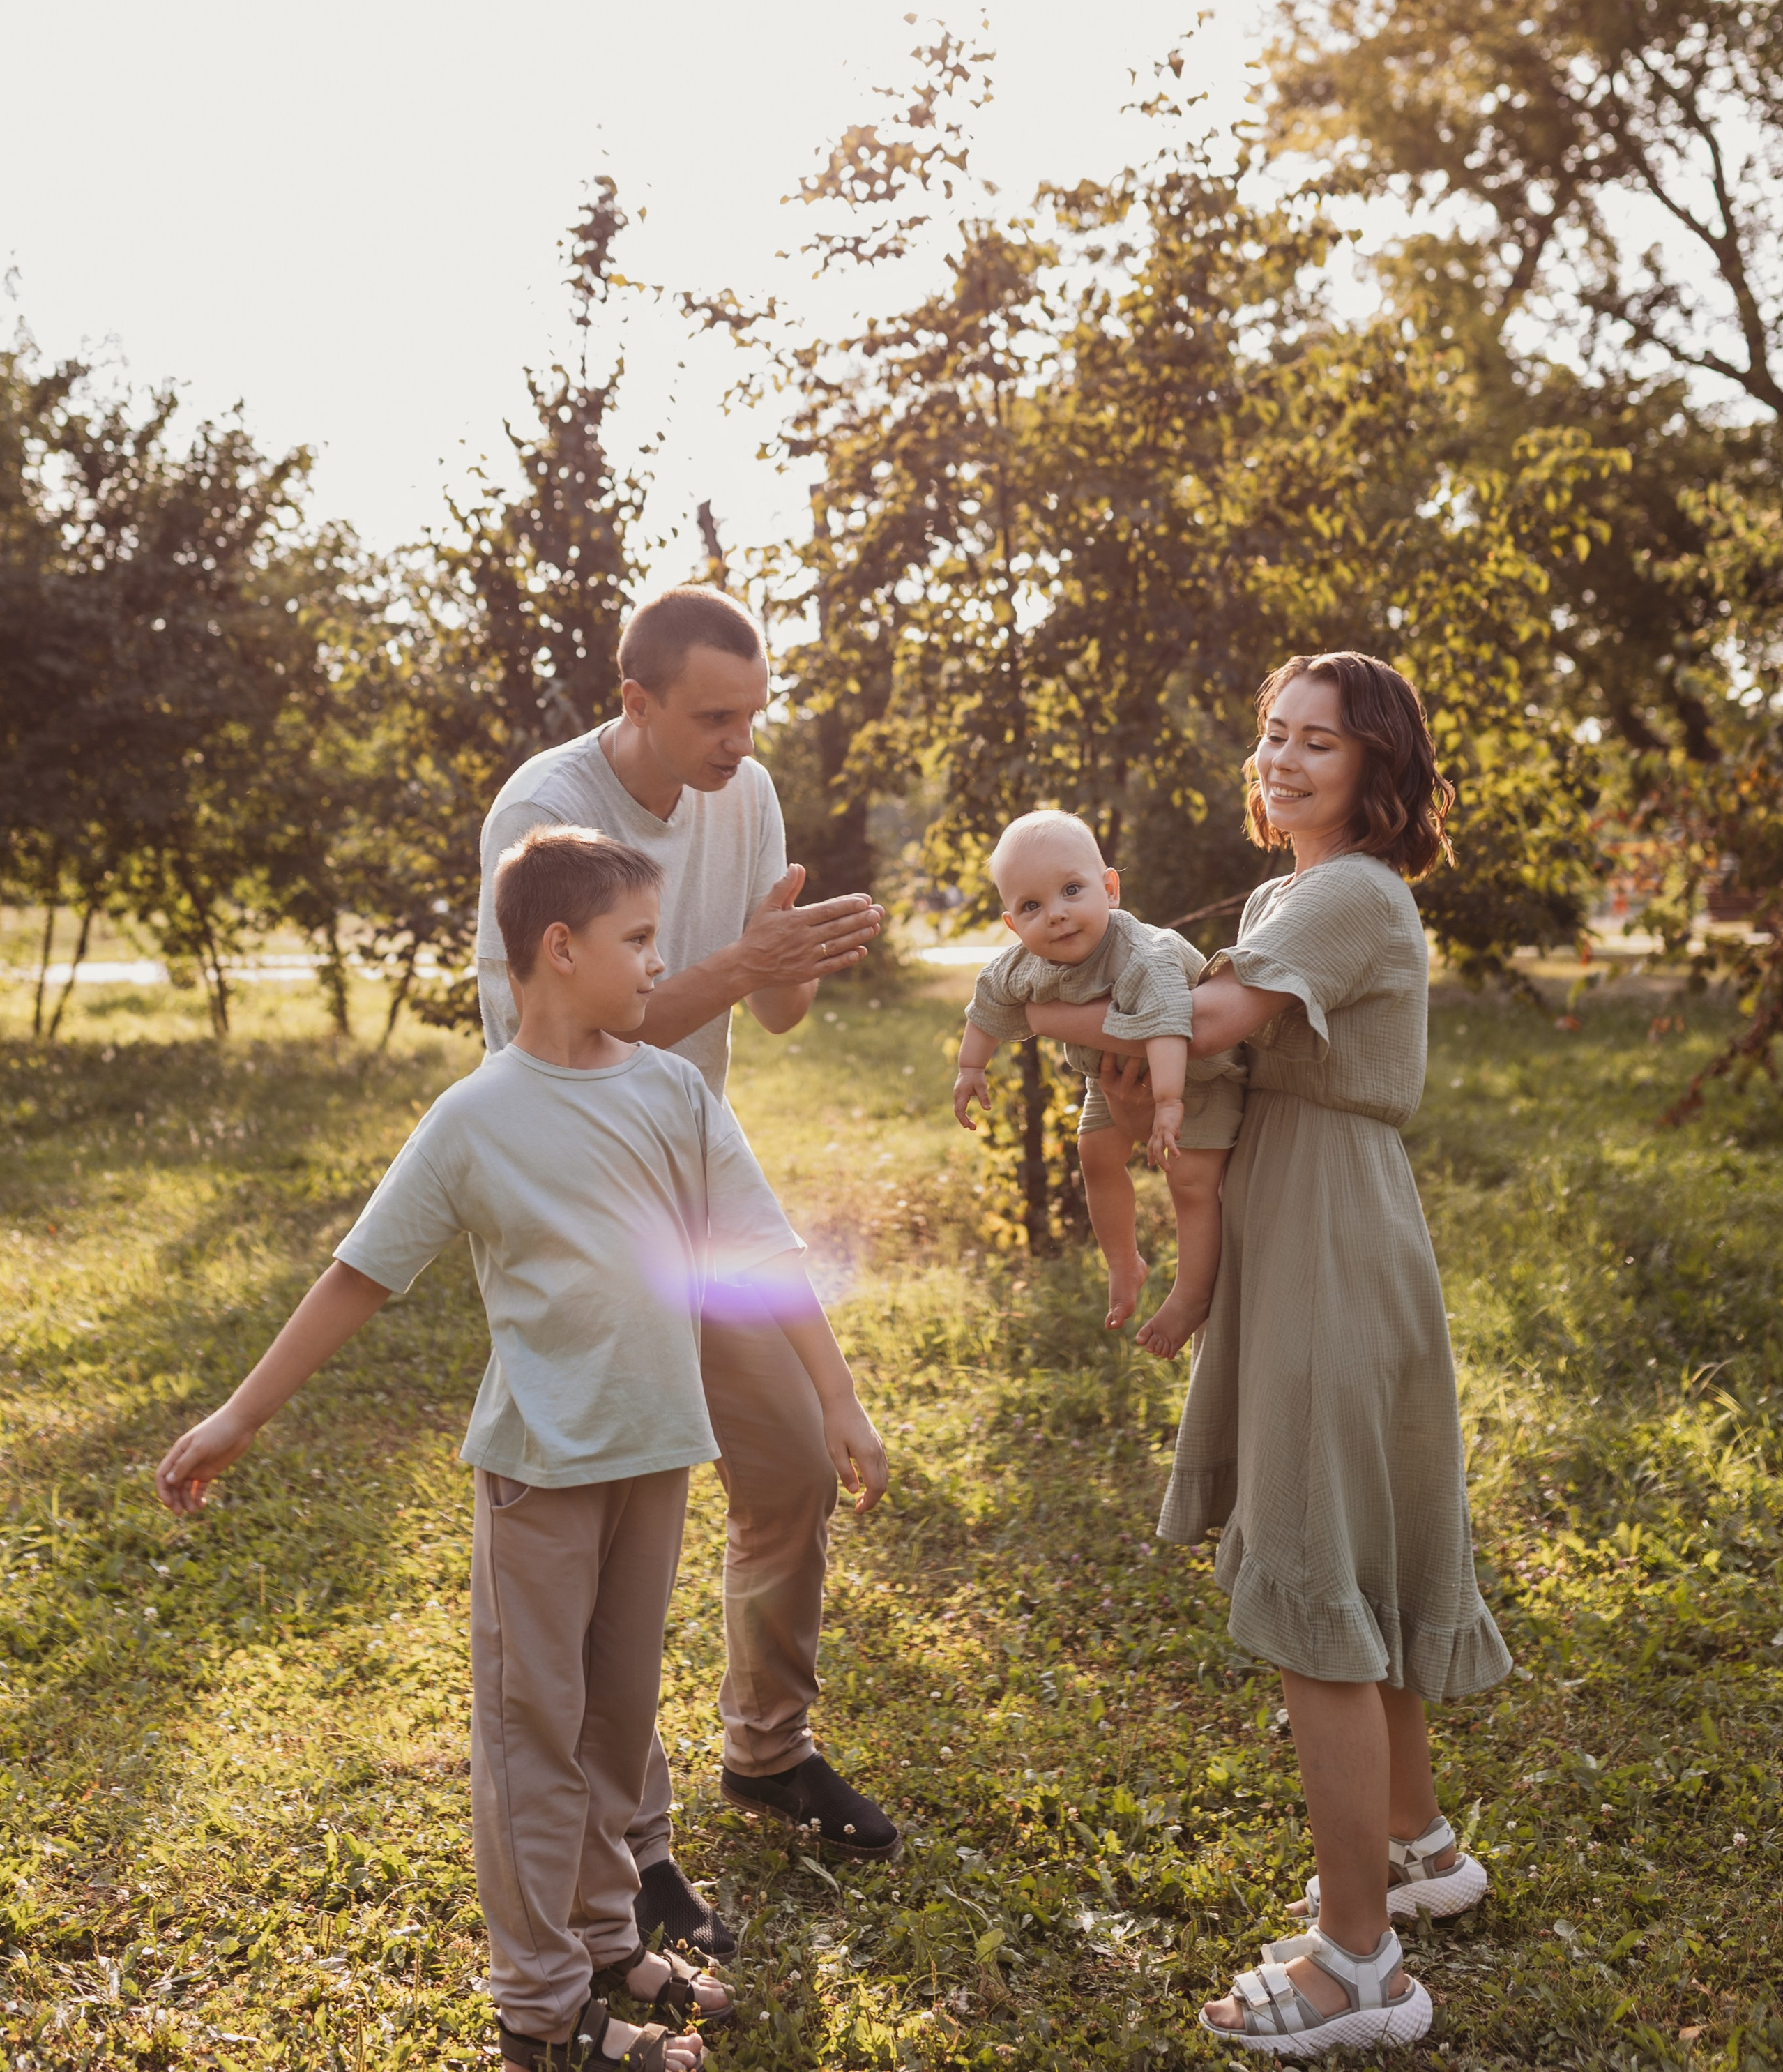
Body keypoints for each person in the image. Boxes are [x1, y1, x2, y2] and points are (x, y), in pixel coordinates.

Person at [156, 828, 888, 2072]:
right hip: (542, 1472)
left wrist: (841, 1399)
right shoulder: (476, 1118)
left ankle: (606, 1939)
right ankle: (540, 2010)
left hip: (656, 1455)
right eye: (640, 941)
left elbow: (764, 1254)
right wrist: (237, 1416)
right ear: (562, 949)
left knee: (615, 1721)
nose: (661, 963)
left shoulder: (670, 1091)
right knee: (532, 1734)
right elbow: (360, 1277)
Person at [1026, 653, 1506, 2055]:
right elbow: (1213, 1084)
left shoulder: (1354, 891)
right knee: (1353, 1551)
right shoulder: (1273, 898)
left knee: (1311, 1585)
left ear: (1374, 769)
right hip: (1297, 1223)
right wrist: (1187, 1274)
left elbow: (1216, 1022)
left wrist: (1011, 1011)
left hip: (1335, 1238)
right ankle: (1412, 1848)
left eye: (1320, 743)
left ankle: (1357, 1968)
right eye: (1271, 736)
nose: (1284, 762)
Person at [474, 584, 898, 1958]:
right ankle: (624, 1844)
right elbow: (580, 1033)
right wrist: (736, 960)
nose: (737, 741)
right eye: (712, 717)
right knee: (614, 1528)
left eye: (752, 713)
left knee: (783, 1470)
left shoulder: (748, 788)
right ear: (636, 700)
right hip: (583, 1201)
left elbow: (764, 1008)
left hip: (695, 1179)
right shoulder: (544, 814)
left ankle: (764, 1753)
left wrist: (795, 956)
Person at [953, 809, 1245, 1356]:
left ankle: (1190, 1296)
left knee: (1191, 1184)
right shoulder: (1024, 962)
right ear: (1013, 924)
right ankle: (1123, 1262)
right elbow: (989, 999)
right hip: (1108, 1074)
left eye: (1071, 890)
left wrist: (1167, 1103)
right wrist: (972, 1067)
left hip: (1197, 1080)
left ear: (1109, 889)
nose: (1057, 915)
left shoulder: (1144, 954)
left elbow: (1168, 1023)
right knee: (1095, 1155)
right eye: (1033, 906)